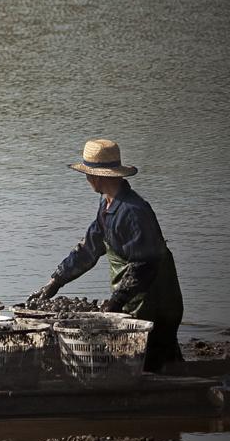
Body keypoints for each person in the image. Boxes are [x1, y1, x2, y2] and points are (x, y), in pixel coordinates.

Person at [28, 139, 184, 373]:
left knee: (148, 363)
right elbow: (90, 246)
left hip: (155, 302)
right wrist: (56, 280)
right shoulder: (109, 205)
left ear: (97, 176)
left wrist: (115, 302)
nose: (87, 179)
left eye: (88, 174)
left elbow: (143, 264)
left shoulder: (131, 211)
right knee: (165, 360)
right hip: (137, 300)